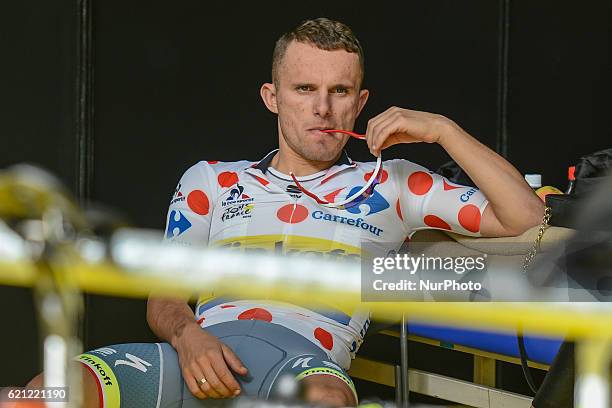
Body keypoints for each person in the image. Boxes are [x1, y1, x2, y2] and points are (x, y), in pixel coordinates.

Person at [27, 18, 543, 407]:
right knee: (34, 395)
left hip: (304, 367)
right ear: (272, 97)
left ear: (359, 102)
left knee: (325, 401)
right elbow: (163, 298)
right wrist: (189, 338)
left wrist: (442, 130)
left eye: (339, 92)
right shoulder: (211, 179)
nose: (322, 109)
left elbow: (523, 217)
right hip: (196, 356)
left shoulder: (394, 181)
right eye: (304, 90)